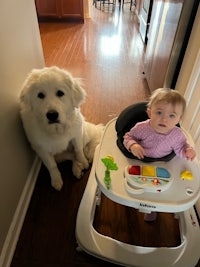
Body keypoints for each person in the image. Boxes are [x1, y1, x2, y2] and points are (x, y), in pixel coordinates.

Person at [123, 88, 196, 221]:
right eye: (159, 112)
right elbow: (128, 137)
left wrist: (188, 151)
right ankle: (132, 201)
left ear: (179, 118)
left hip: (163, 163)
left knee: (158, 189)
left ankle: (151, 208)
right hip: (139, 159)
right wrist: (133, 145)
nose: (164, 119)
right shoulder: (141, 128)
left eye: (172, 116)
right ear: (149, 112)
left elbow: (181, 147)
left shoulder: (177, 134)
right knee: (136, 183)